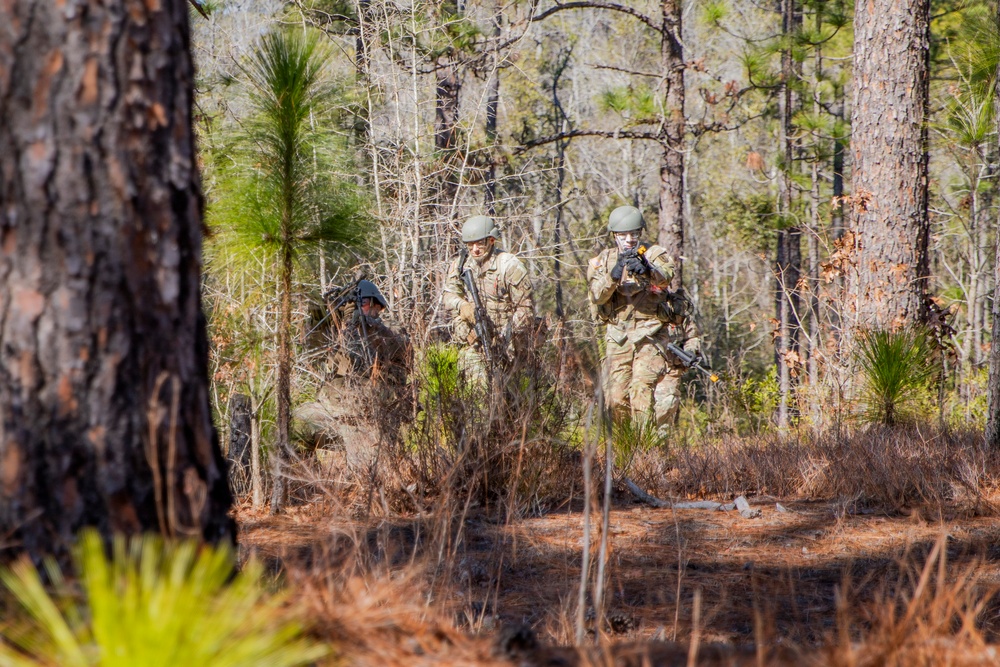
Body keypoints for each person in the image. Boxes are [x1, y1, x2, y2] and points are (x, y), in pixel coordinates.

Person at [587, 205, 700, 431]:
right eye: (623, 235)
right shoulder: (603, 260)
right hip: (618, 338)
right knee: (615, 397)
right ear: (614, 235)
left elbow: (666, 277)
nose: (629, 240)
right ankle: (625, 447)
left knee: (641, 389)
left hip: (651, 334)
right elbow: (597, 296)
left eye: (634, 234)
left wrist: (648, 269)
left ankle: (645, 451)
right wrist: (614, 275)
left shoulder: (655, 253)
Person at [443, 215, 535, 383]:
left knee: (514, 399)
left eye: (480, 243)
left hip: (508, 344)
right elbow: (449, 295)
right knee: (478, 389)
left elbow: (525, 309)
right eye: (471, 245)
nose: (475, 249)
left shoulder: (508, 265)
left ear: (492, 240)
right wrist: (462, 306)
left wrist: (504, 336)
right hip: (474, 341)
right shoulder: (460, 265)